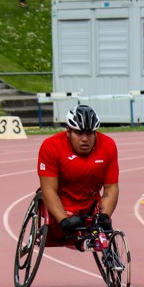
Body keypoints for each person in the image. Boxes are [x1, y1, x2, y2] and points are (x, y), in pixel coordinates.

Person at [37, 105, 119, 248]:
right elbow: (48, 190)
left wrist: (105, 216)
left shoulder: (108, 145)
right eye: (79, 133)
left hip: (89, 202)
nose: (85, 139)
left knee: (104, 227)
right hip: (62, 203)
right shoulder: (51, 146)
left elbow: (111, 187)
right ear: (68, 131)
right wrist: (63, 219)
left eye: (89, 133)